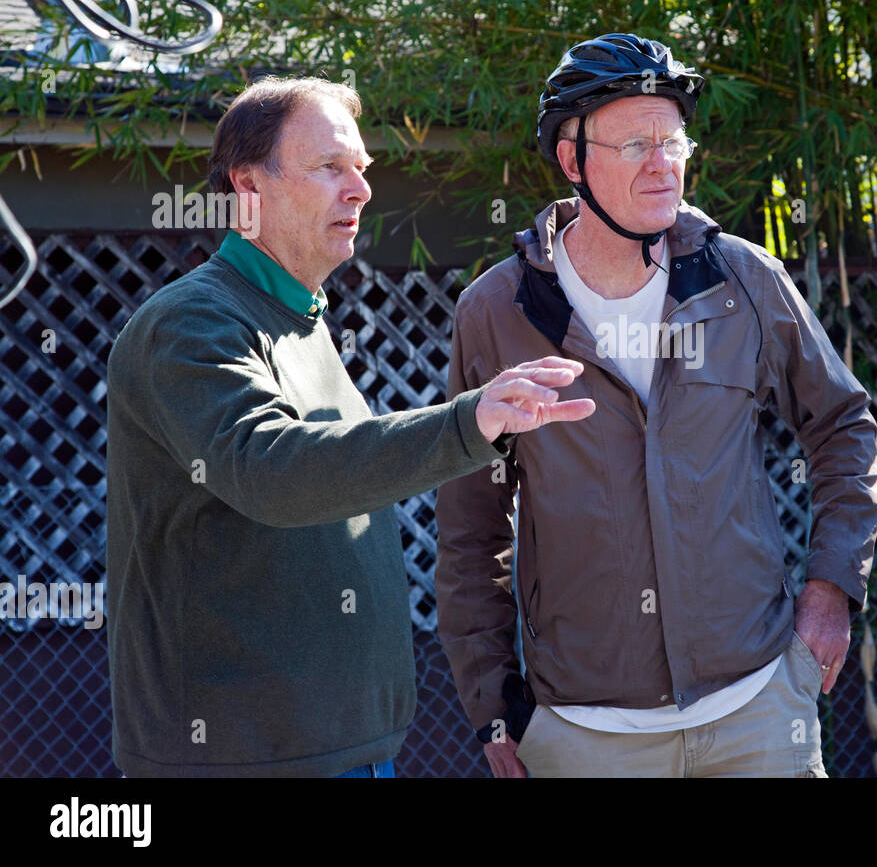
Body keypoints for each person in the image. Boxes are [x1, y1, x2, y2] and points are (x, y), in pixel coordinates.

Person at [106, 76, 594, 777]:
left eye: (361, 169)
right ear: (249, 187)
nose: (361, 189)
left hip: (347, 754)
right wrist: (468, 422)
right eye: (330, 167)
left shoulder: (302, 317)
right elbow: (271, 470)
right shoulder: (192, 324)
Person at [434, 33, 877, 778]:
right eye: (635, 141)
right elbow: (471, 527)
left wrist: (831, 591)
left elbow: (842, 428)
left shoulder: (742, 279)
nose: (662, 162)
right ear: (572, 161)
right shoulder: (498, 309)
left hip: (758, 711)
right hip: (582, 734)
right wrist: (492, 706)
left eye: (673, 140)